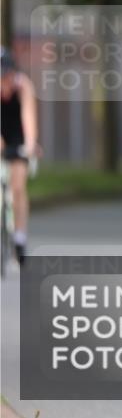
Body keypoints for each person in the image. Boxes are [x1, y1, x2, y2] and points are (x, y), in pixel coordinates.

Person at [1, 48, 39, 266]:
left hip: (17, 135)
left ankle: (19, 237)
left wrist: (31, 144)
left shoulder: (23, 86)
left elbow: (28, 118)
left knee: (18, 186)